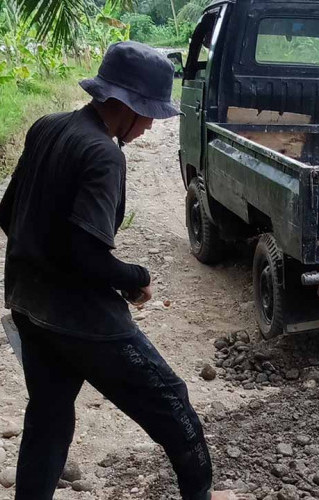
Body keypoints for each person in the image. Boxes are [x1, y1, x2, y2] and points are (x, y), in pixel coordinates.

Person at [0, 41, 248, 500]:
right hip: (78, 317)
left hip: (28, 304)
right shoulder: (103, 154)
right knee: (173, 403)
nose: (152, 124)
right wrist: (136, 278)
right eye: (150, 112)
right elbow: (87, 257)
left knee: (49, 420)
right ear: (125, 105)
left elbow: (7, 212)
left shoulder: (47, 127)